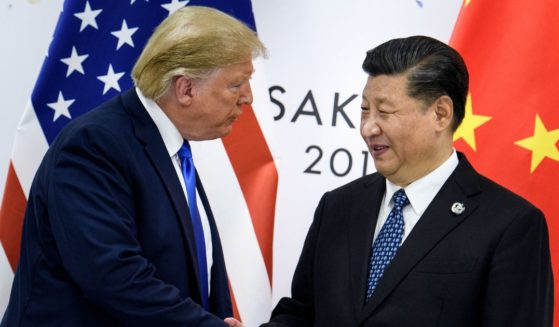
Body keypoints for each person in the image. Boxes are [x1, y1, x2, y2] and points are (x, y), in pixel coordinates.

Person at [1, 6, 265, 327]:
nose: (247, 98)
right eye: (237, 85)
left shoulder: (172, 149)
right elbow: (113, 276)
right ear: (186, 89)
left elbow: (196, 266)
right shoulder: (94, 145)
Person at [263, 35, 553, 326]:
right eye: (364, 109)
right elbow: (302, 313)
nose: (368, 127)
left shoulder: (511, 225)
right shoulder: (338, 206)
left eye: (384, 112)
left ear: (440, 113)